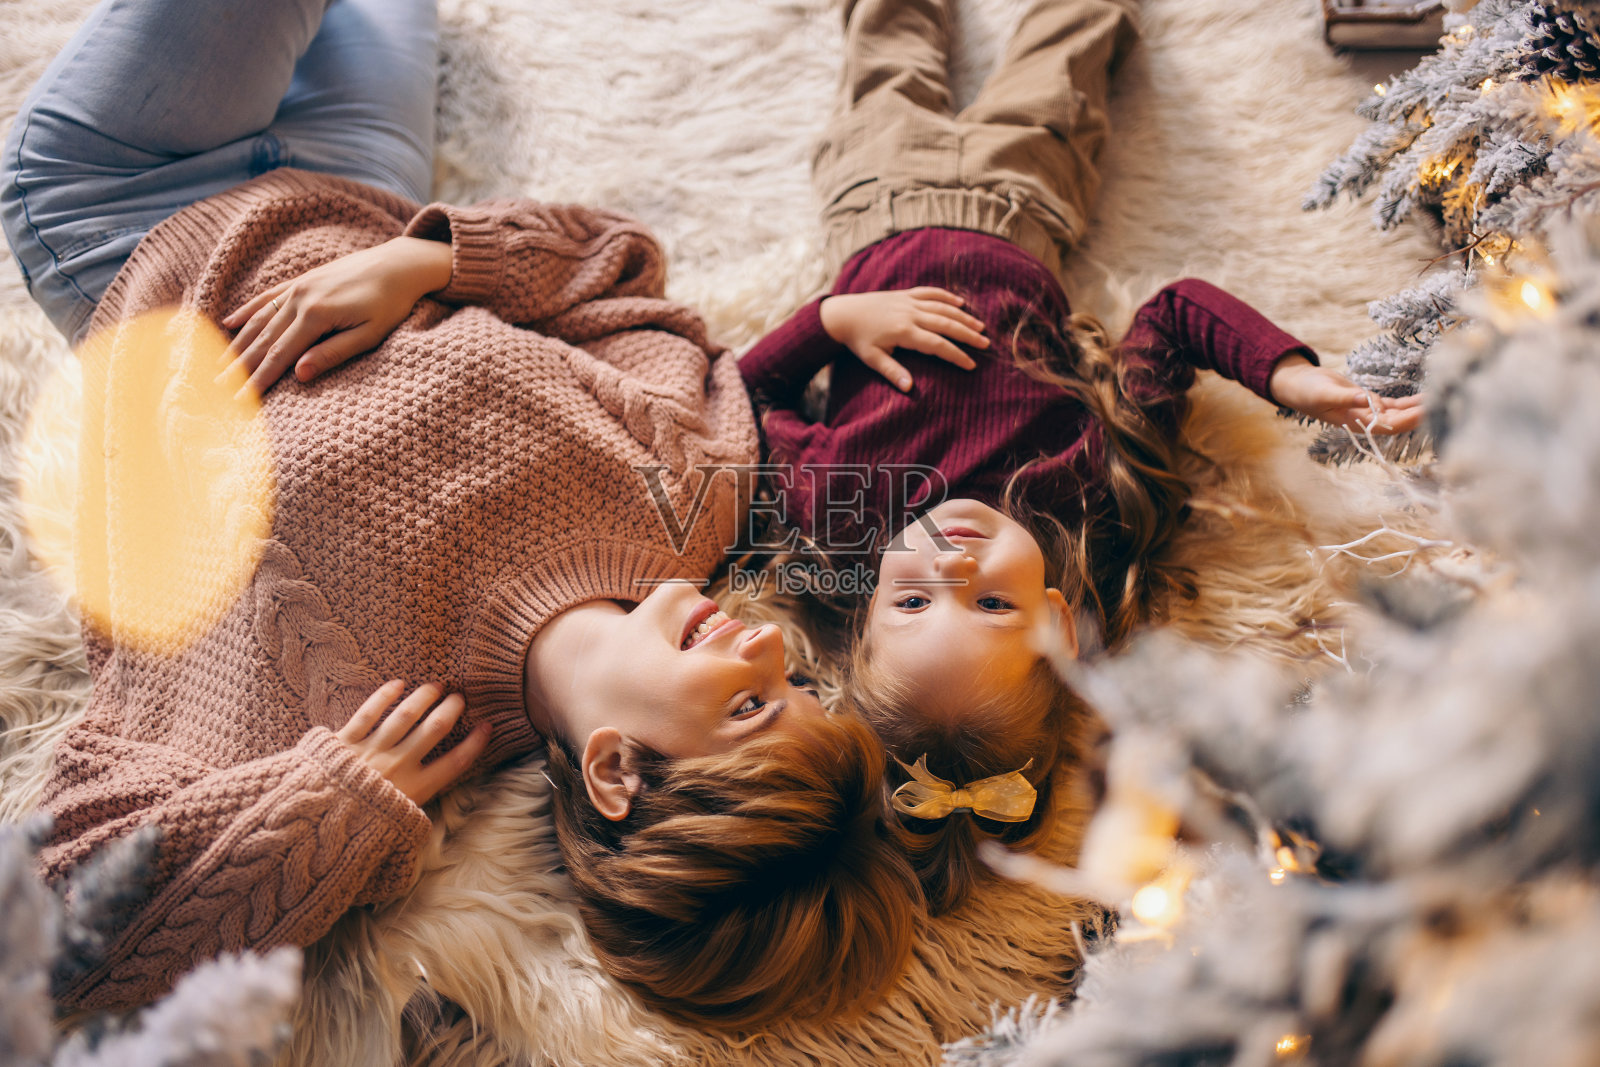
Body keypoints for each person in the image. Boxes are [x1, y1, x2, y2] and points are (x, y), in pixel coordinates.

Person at [0, 0, 921, 1028]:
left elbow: (53, 944)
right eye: (794, 679)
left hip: (126, 208)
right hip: (359, 186)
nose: (760, 646)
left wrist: (326, 811)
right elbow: (614, 267)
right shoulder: (692, 502)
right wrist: (434, 262)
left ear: (616, 768)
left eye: (749, 704)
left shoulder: (362, 726)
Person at [735, 0, 1424, 913]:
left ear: (864, 611)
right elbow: (1174, 315)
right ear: (1059, 619)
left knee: (886, 47)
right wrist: (1287, 376)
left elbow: (749, 393)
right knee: (1074, 40)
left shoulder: (842, 507)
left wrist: (830, 321)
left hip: (874, 209)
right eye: (989, 600)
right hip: (1022, 202)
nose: (955, 560)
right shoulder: (1089, 495)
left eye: (912, 597)